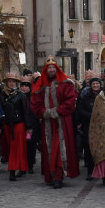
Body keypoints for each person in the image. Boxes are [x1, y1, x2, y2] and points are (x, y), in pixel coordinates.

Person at [30, 57, 79, 188]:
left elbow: (70, 102)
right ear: (46, 70)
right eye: (49, 68)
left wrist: (56, 111)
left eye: (53, 67)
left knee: (60, 148)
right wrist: (45, 113)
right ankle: (51, 175)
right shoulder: (40, 85)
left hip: (62, 121)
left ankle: (59, 175)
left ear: (57, 69)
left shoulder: (66, 83)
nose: (51, 70)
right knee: (49, 149)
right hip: (47, 124)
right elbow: (35, 104)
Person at [1, 72, 31, 182]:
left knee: (16, 148)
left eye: (13, 81)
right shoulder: (3, 95)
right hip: (7, 124)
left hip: (19, 124)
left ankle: (12, 171)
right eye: (9, 81)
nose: (11, 83)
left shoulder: (21, 95)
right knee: (12, 148)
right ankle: (21, 167)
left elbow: (26, 111)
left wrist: (28, 127)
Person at [75, 77, 100, 180]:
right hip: (88, 125)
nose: (95, 86)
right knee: (89, 149)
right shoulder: (85, 96)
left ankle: (100, 170)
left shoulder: (103, 95)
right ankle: (90, 171)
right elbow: (80, 110)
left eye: (97, 84)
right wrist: (92, 116)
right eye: (93, 84)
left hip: (101, 126)